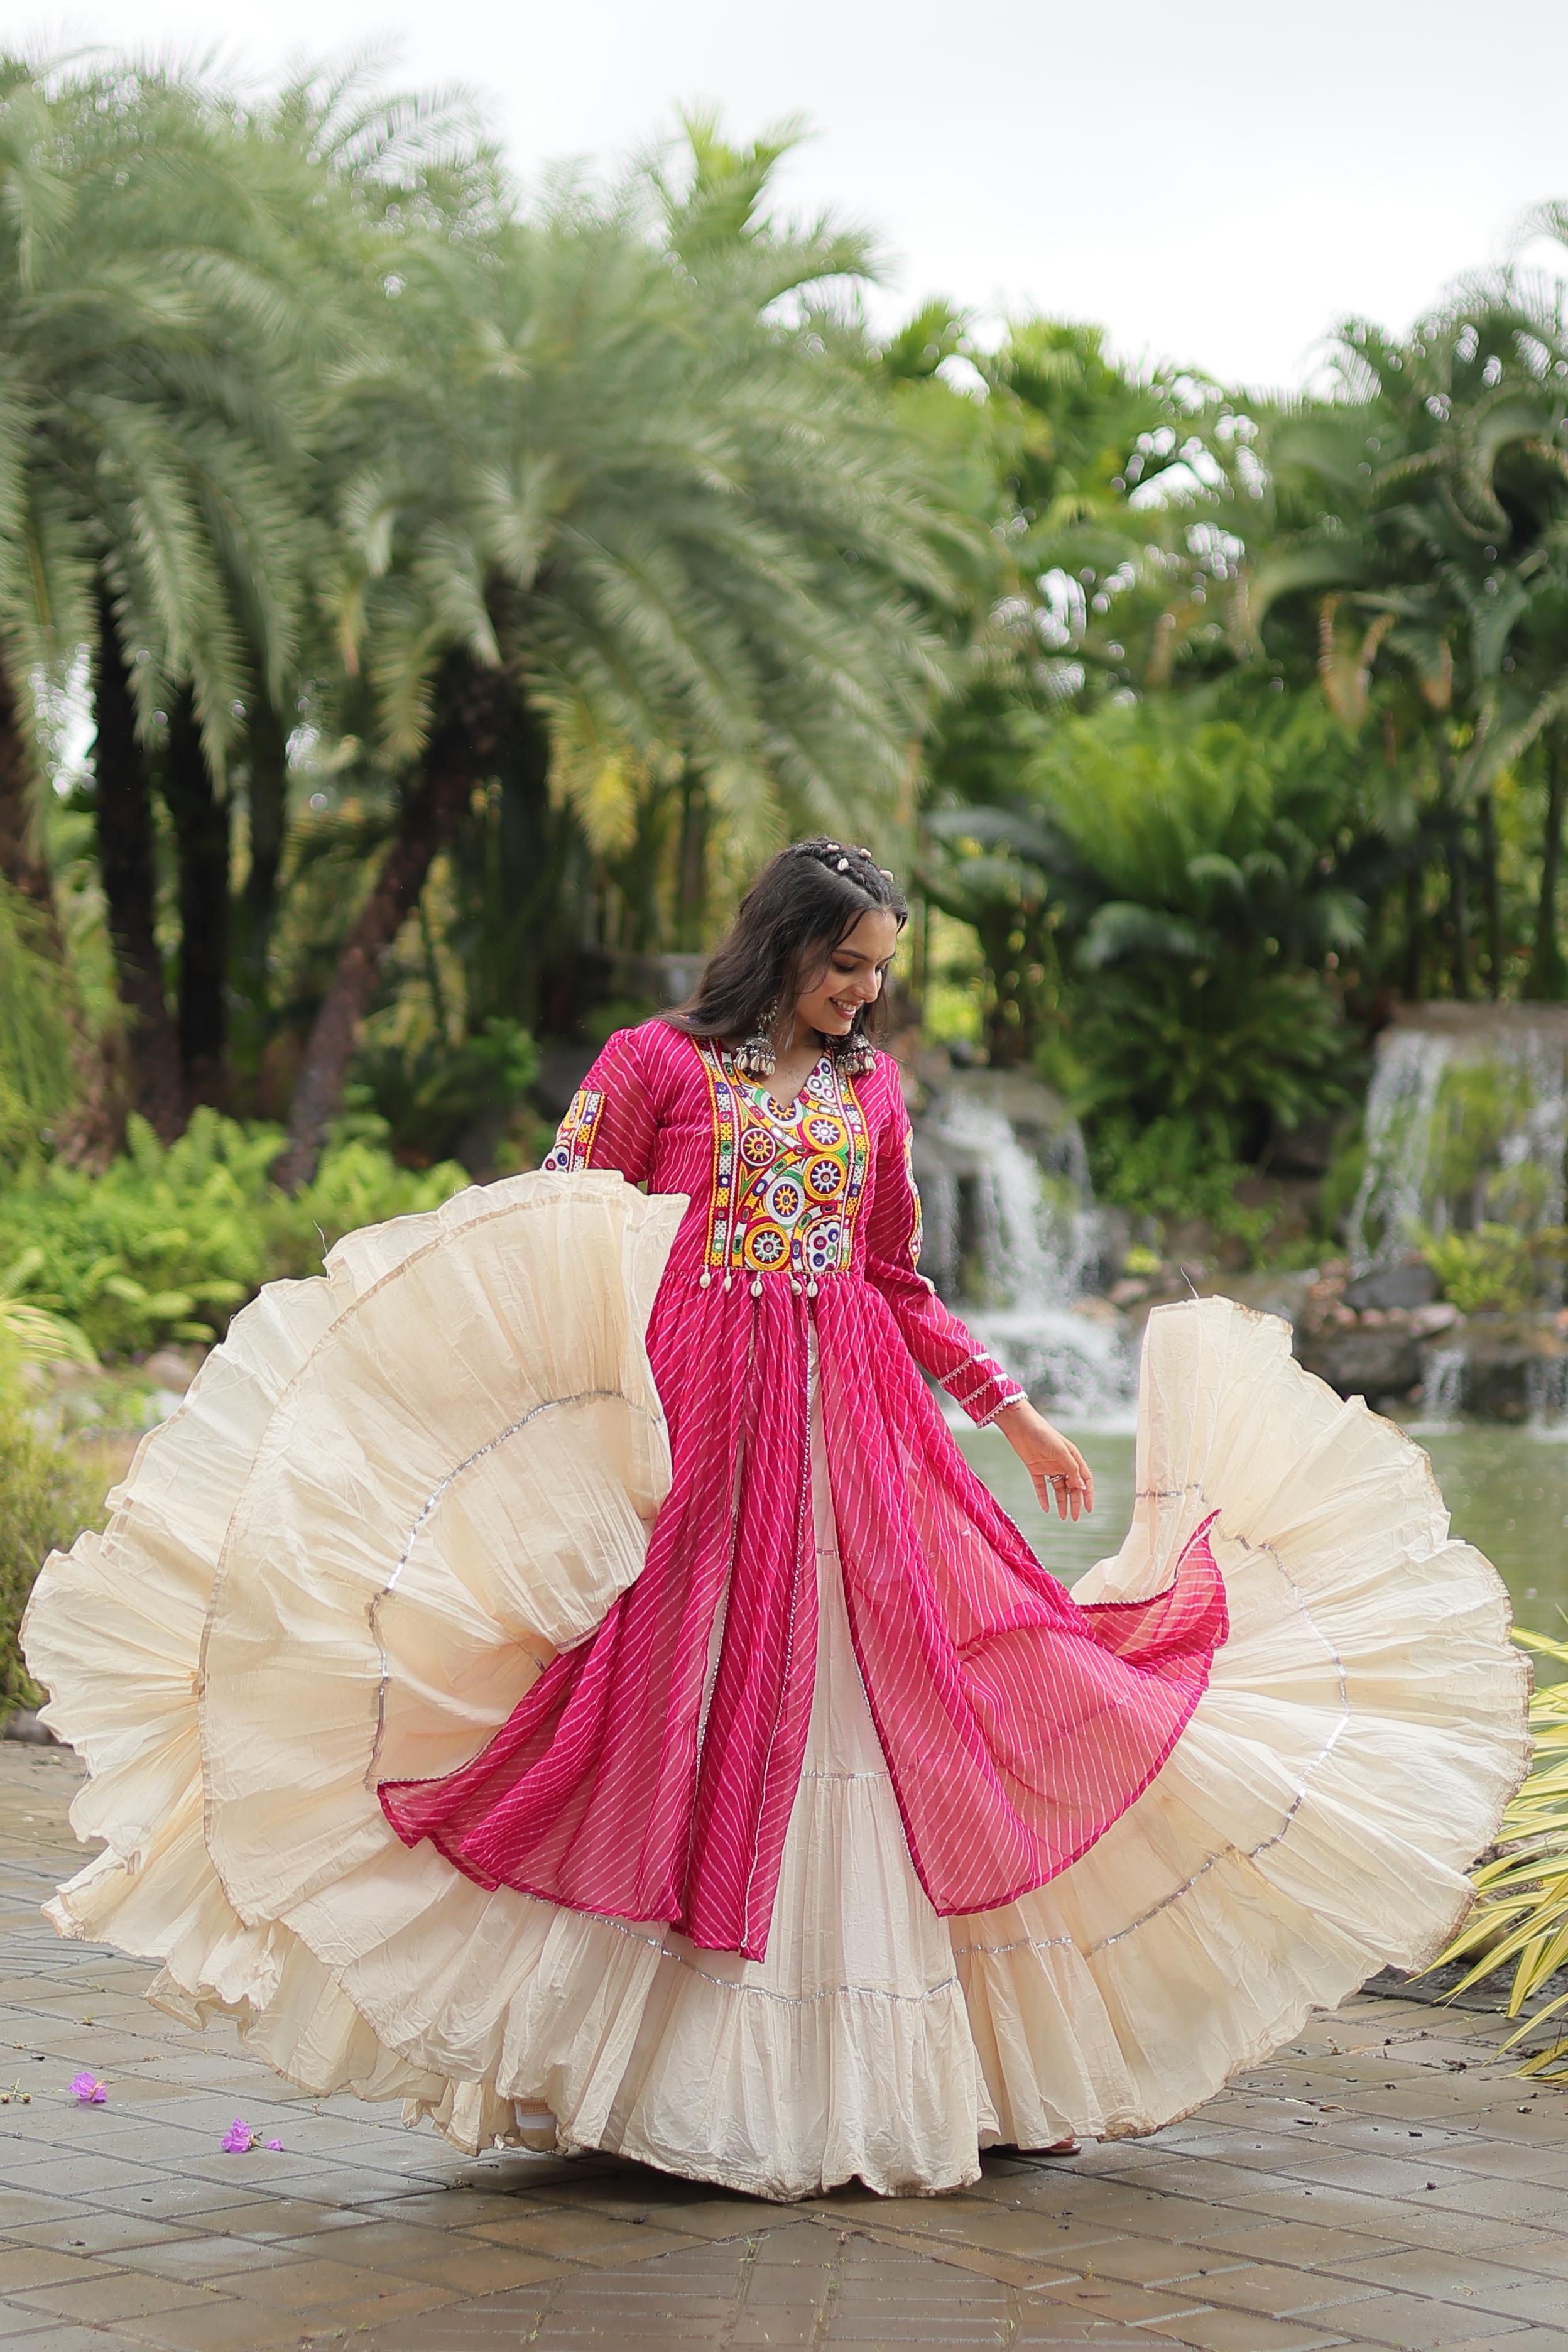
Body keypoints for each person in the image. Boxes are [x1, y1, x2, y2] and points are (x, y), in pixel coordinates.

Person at [26, 837, 1530, 2203]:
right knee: (669, 1714)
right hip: (699, 1434)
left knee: (911, 1710)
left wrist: (1010, 1409)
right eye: (847, 966)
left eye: (880, 971)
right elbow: (554, 1230)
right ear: (783, 947)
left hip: (862, 1441)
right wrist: (506, 1414)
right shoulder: (652, 1068)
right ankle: (664, 2078)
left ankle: (947, 2066)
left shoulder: (873, 1089)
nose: (865, 996)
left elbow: (890, 1273)